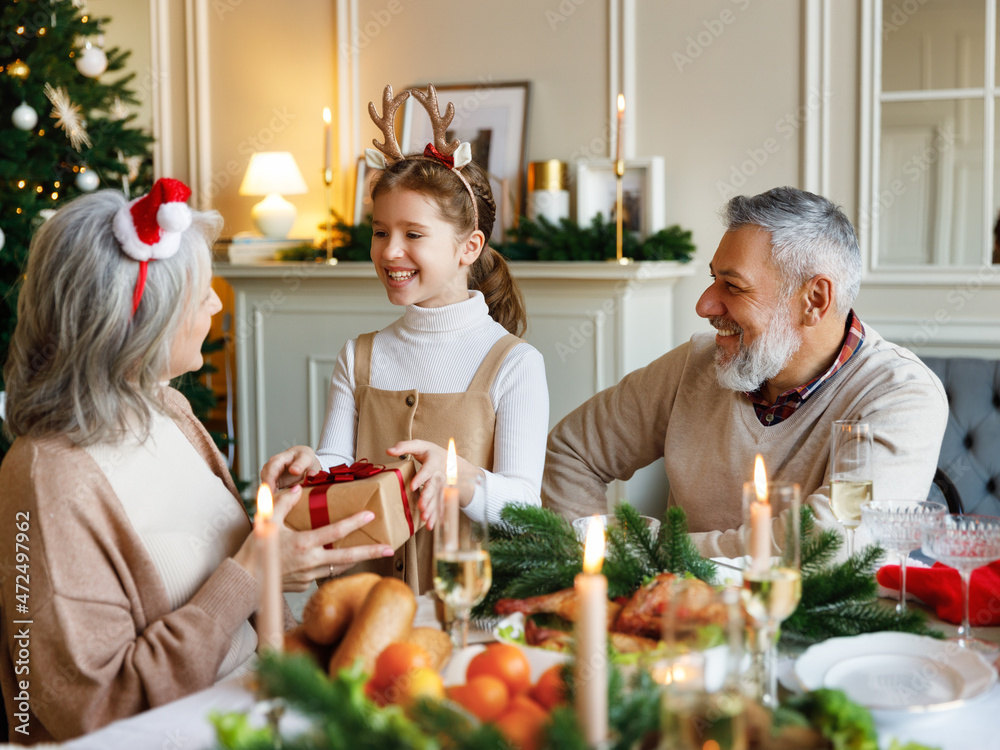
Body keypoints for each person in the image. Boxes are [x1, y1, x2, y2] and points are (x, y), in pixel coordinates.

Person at [0, 180, 391, 743]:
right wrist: (254, 574)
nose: (215, 302)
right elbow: (93, 712)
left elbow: (211, 563)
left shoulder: (167, 407)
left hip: (255, 708)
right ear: (141, 324)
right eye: (201, 292)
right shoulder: (48, 478)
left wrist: (266, 515)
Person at [542, 186, 948, 557]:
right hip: (675, 626)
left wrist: (657, 552)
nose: (704, 305)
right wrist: (602, 570)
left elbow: (838, 544)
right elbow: (570, 452)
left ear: (815, 300)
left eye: (733, 286)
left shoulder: (901, 394)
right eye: (712, 280)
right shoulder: (697, 364)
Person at [261, 85, 549, 594]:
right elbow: (338, 465)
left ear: (469, 247)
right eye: (379, 232)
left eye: (413, 234)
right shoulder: (359, 355)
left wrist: (458, 474)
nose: (390, 251)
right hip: (362, 595)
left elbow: (526, 513)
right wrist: (311, 468)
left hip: (467, 605)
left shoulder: (514, 363)